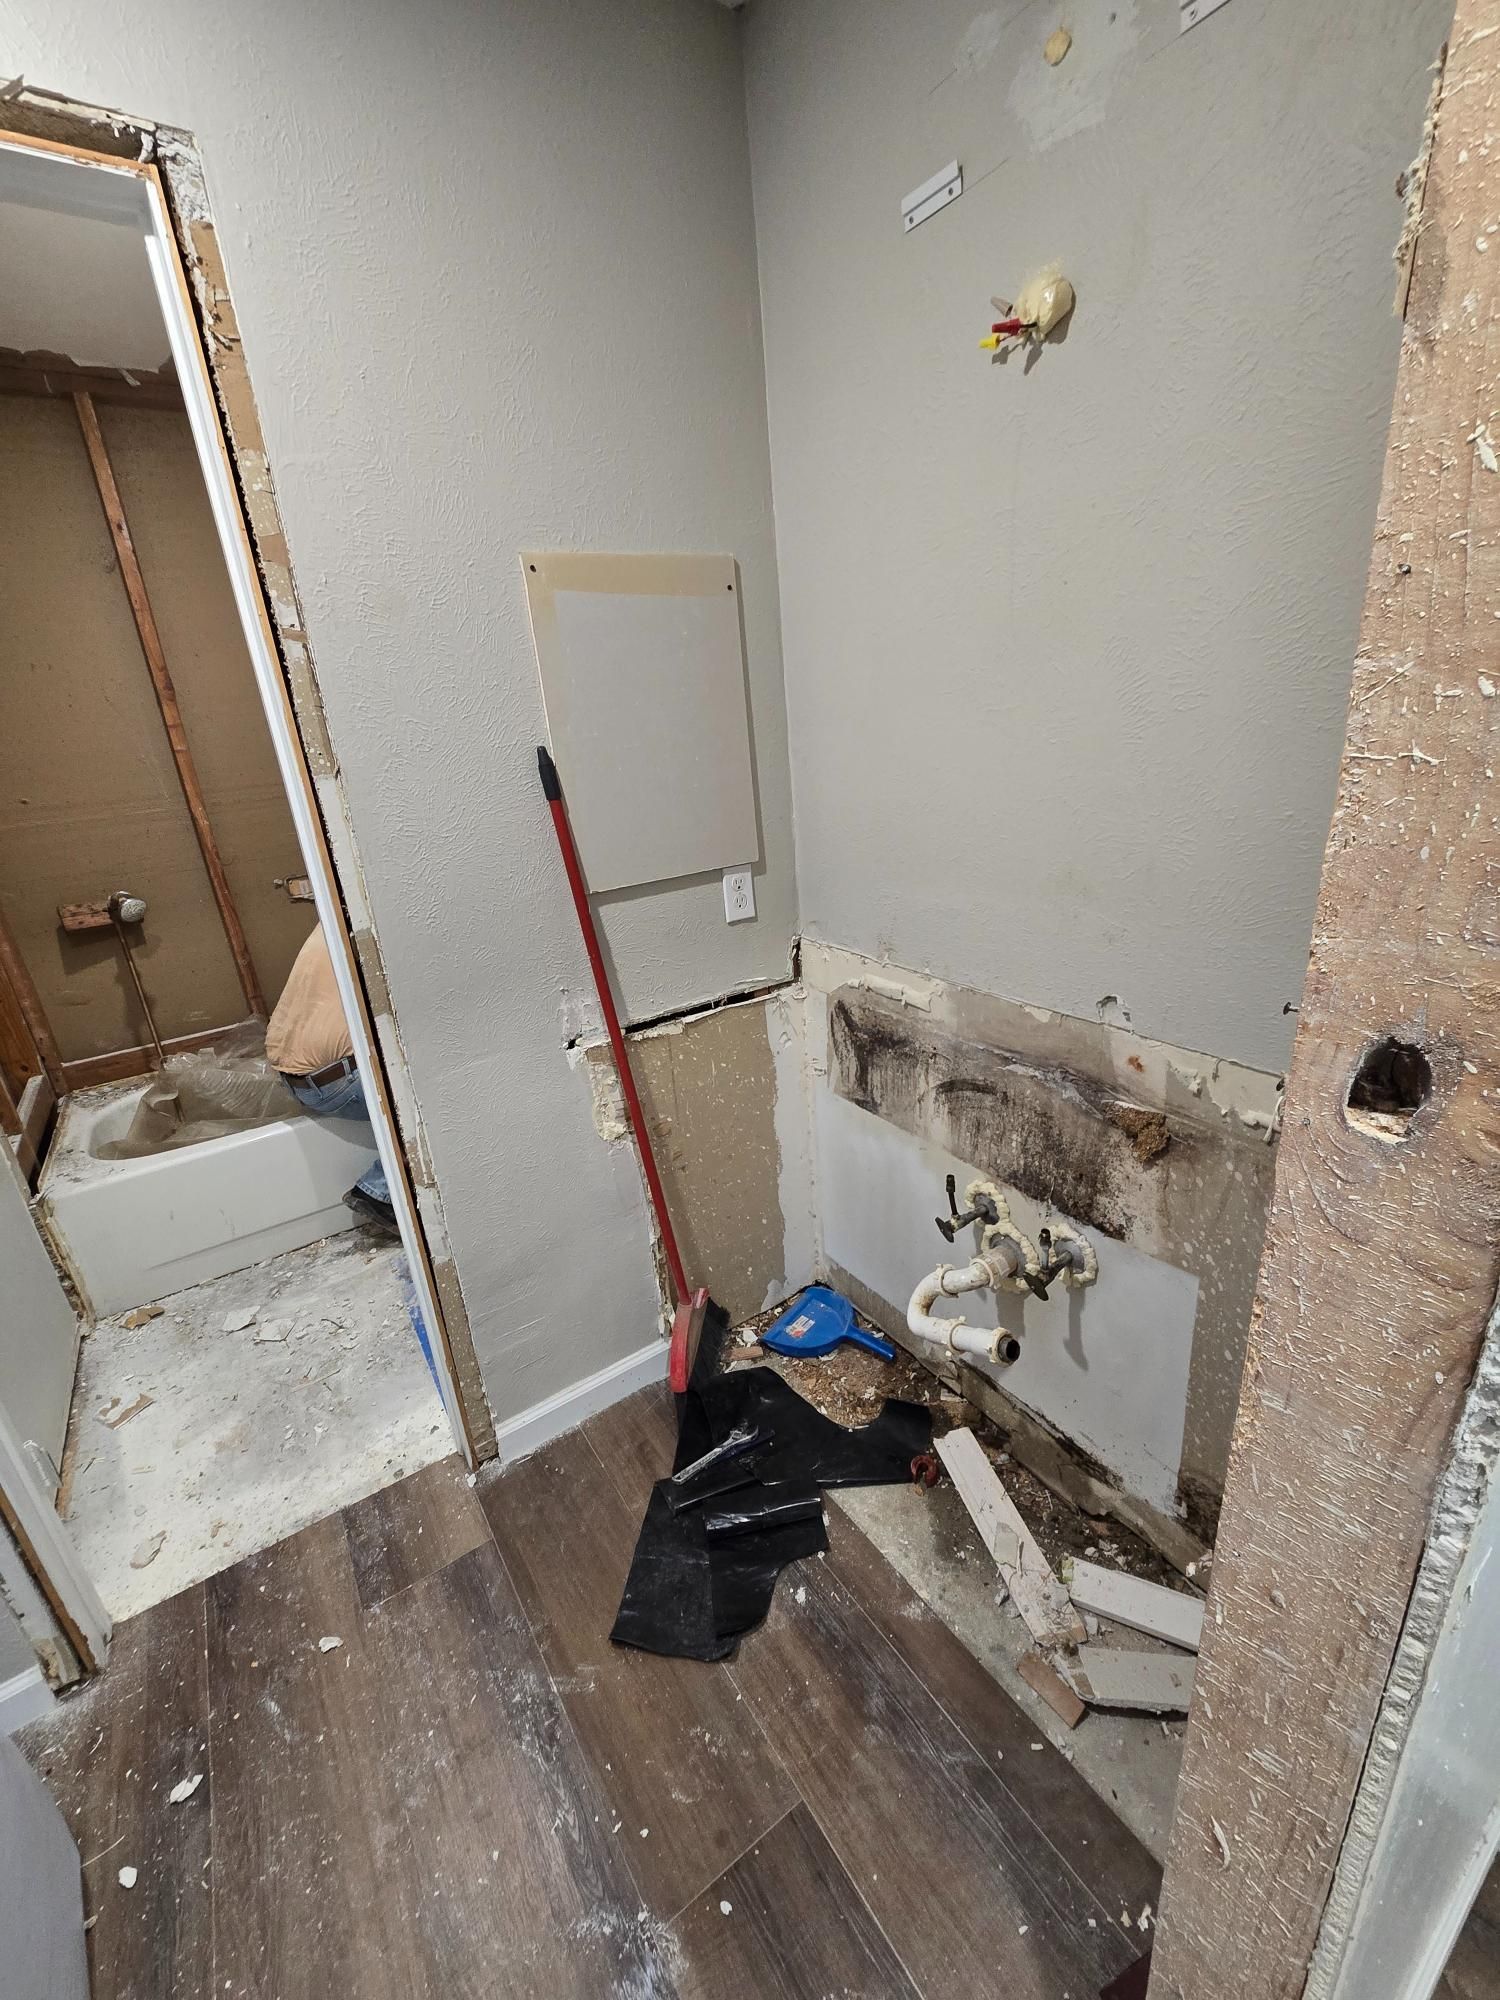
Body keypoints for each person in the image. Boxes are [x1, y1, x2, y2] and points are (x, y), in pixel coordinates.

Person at [264, 923, 395, 1231]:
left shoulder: (333, 919)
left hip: (298, 1078)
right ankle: (379, 1191)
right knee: (448, 1099)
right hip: (336, 1082)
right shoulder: (376, 923)